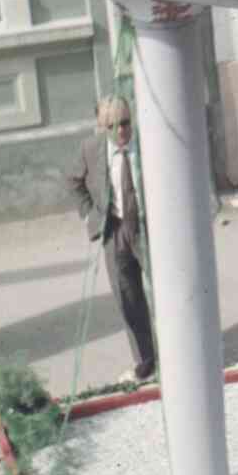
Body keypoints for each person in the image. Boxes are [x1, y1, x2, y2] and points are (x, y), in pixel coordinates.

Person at [66, 95, 155, 382]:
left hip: (147, 227)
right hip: (114, 230)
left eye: (125, 123)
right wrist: (90, 215)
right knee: (128, 299)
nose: (121, 132)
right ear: (101, 127)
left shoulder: (148, 143)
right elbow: (73, 182)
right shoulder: (90, 149)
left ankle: (181, 351)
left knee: (167, 291)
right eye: (113, 126)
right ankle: (145, 360)